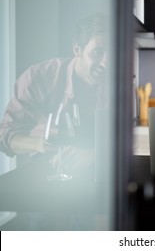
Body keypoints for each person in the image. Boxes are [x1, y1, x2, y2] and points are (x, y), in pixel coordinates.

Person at [0, 12, 108, 177]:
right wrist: (39, 144)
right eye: (97, 52)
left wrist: (93, 155)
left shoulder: (117, 84)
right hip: (42, 178)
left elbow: (128, 142)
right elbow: (5, 135)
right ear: (77, 49)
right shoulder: (38, 78)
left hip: (99, 176)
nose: (106, 62)